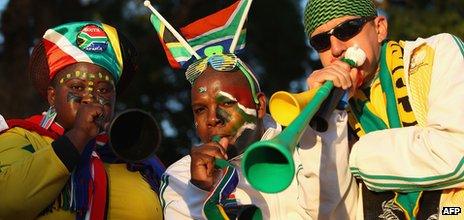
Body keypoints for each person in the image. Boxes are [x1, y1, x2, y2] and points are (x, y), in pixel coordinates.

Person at [304, 0, 464, 219]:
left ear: (380, 29)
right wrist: (327, 120)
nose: (336, 49)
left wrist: (356, 156)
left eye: (347, 29)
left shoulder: (437, 51)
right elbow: (328, 212)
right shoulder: (332, 113)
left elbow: (457, 156)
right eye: (321, 41)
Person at [0, 21, 165, 219]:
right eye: (77, 87)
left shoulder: (140, 161)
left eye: (103, 90)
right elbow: (7, 204)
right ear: (52, 97)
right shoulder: (20, 137)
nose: (90, 98)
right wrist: (78, 137)